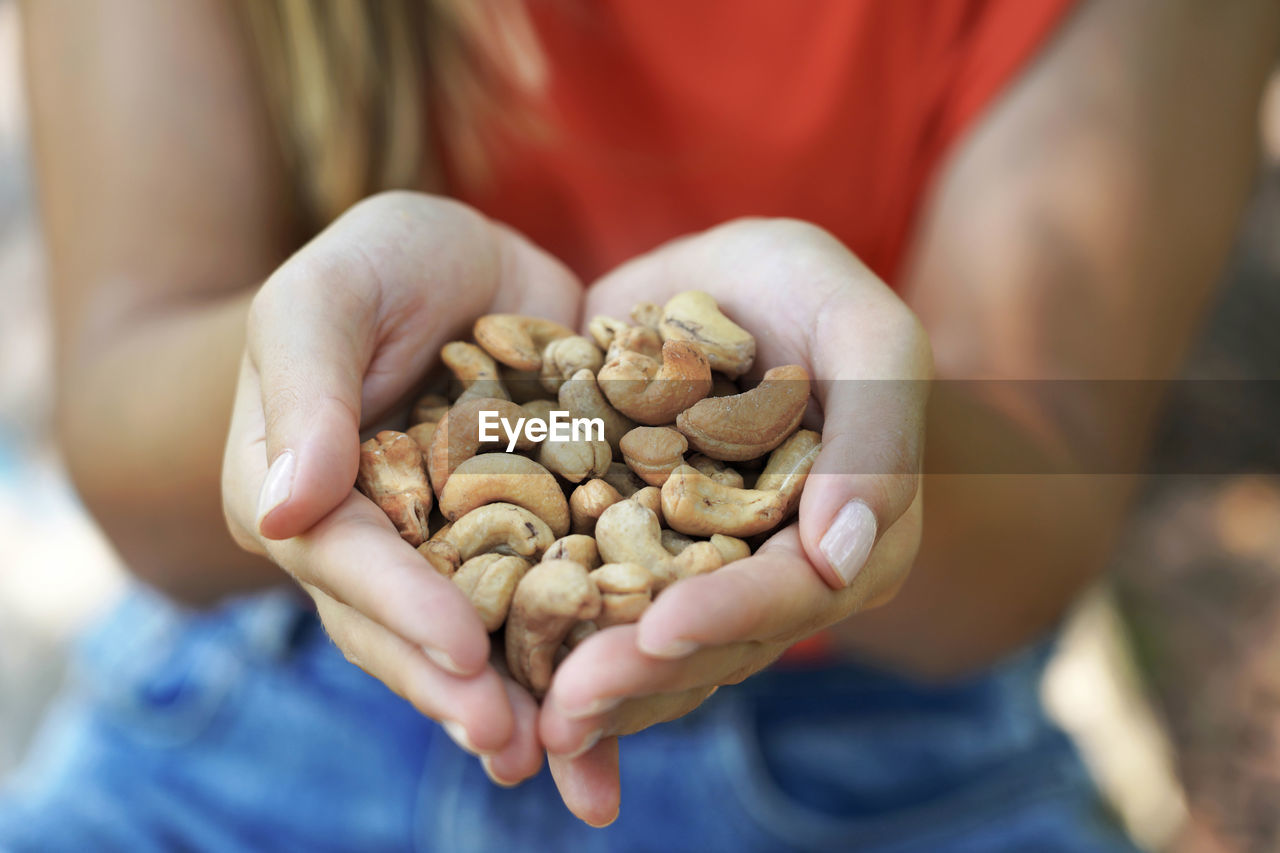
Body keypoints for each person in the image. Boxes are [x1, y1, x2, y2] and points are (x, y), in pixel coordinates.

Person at [3, 0, 1276, 849]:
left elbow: (1040, 516)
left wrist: (856, 431)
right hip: (268, 688)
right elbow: (118, 422)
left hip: (872, 740)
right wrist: (320, 365)